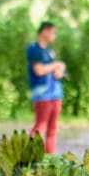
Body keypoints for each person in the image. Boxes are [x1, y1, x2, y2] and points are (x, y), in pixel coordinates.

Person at [26, 21, 65, 154]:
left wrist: (60, 69)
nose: (54, 35)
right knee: (40, 126)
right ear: (44, 31)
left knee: (52, 129)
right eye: (53, 32)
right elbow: (38, 70)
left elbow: (53, 69)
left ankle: (50, 157)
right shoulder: (34, 49)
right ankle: (29, 154)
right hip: (42, 95)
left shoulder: (49, 51)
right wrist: (55, 66)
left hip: (55, 93)